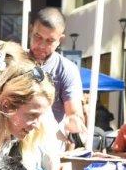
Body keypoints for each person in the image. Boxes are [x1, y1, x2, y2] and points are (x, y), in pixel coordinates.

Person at [26, 8, 85, 139]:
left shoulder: (67, 69)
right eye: (38, 37)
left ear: (60, 40)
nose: (41, 45)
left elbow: (74, 114)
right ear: (31, 31)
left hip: (48, 141)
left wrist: (73, 123)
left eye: (50, 41)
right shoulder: (16, 60)